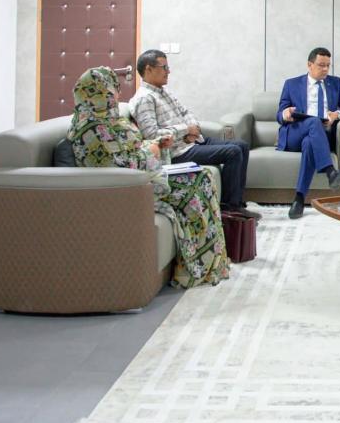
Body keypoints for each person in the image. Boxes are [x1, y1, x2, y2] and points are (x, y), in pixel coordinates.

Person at [68, 66, 230, 289]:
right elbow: (118, 166)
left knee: (202, 176)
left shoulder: (108, 118)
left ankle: (209, 260)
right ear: (97, 93)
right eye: (112, 90)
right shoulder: (91, 128)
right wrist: (151, 151)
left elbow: (130, 148)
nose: (117, 94)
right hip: (131, 187)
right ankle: (195, 266)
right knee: (196, 183)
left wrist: (156, 145)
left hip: (144, 175)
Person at [130, 49, 259, 221]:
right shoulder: (144, 98)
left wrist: (193, 129)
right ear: (149, 69)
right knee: (233, 152)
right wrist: (185, 130)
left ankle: (238, 203)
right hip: (177, 152)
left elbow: (186, 112)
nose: (169, 71)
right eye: (164, 67)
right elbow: (151, 134)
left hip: (191, 142)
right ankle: (229, 209)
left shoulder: (164, 91)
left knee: (241, 146)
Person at [277, 47, 340, 219]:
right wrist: (285, 113)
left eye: (328, 65)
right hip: (295, 132)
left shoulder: (335, 83)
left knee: (309, 143)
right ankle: (330, 171)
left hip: (320, 136)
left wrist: (336, 114)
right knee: (313, 121)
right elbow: (279, 114)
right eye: (321, 65)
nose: (325, 69)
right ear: (309, 65)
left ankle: (299, 199)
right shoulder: (292, 84)